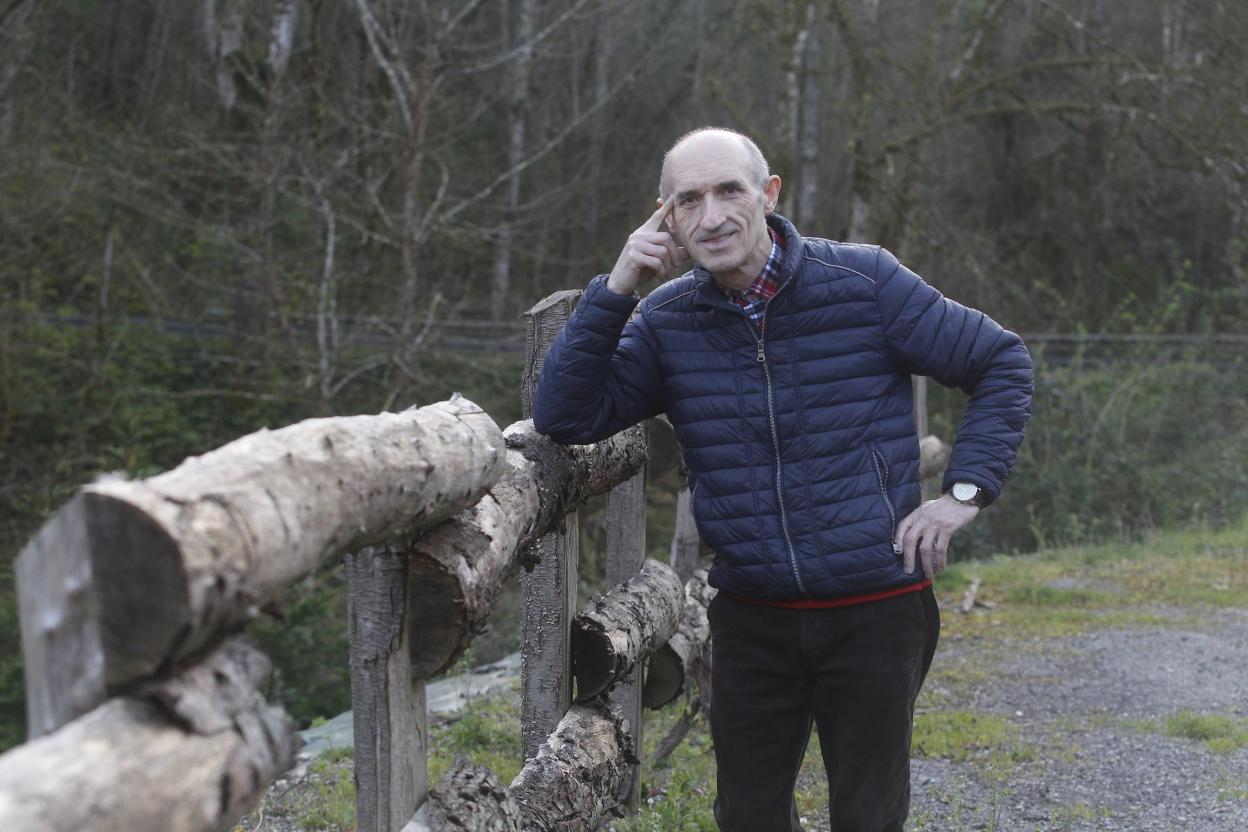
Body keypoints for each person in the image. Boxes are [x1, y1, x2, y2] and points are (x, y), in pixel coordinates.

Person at [532, 127, 1033, 831]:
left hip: (877, 611)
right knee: (749, 817)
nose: (712, 216)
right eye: (689, 200)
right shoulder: (665, 321)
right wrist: (616, 288)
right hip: (753, 616)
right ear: (665, 217)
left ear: (768, 195)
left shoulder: (865, 282)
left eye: (729, 190)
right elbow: (563, 413)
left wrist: (963, 495)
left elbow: (1001, 362)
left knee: (867, 816)